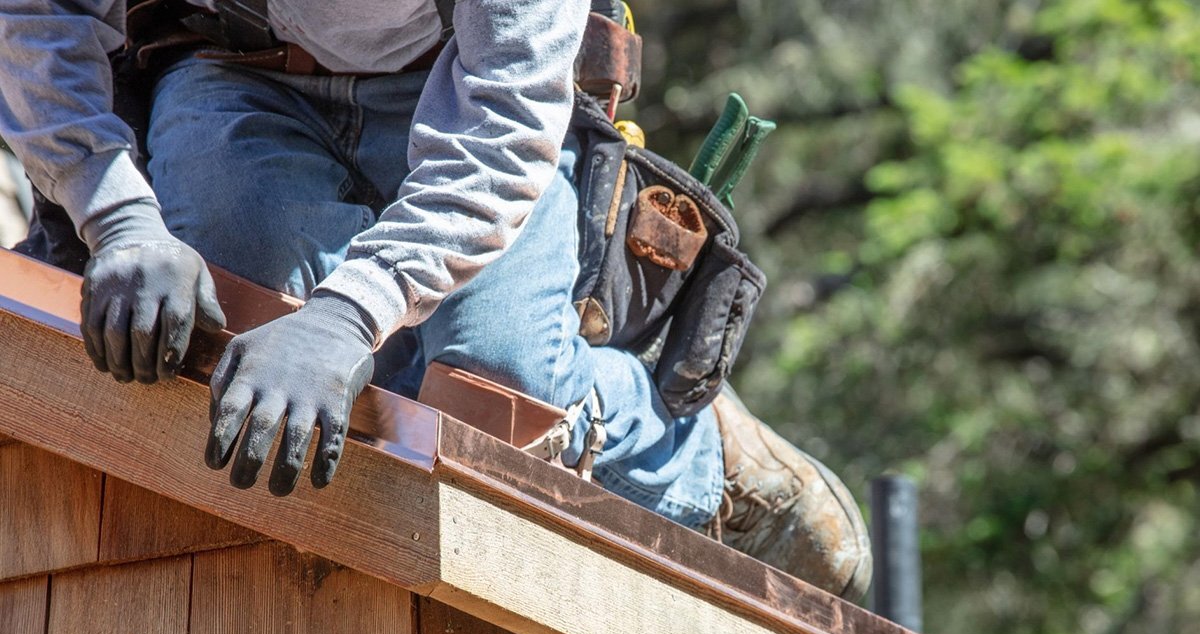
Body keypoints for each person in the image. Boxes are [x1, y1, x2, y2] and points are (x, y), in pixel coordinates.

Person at [0, 0, 871, 600]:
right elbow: (39, 22)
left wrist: (347, 316)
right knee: (235, 343)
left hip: (460, 95)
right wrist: (119, 221)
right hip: (233, 74)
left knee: (490, 402)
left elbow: (499, 135)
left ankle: (699, 459)